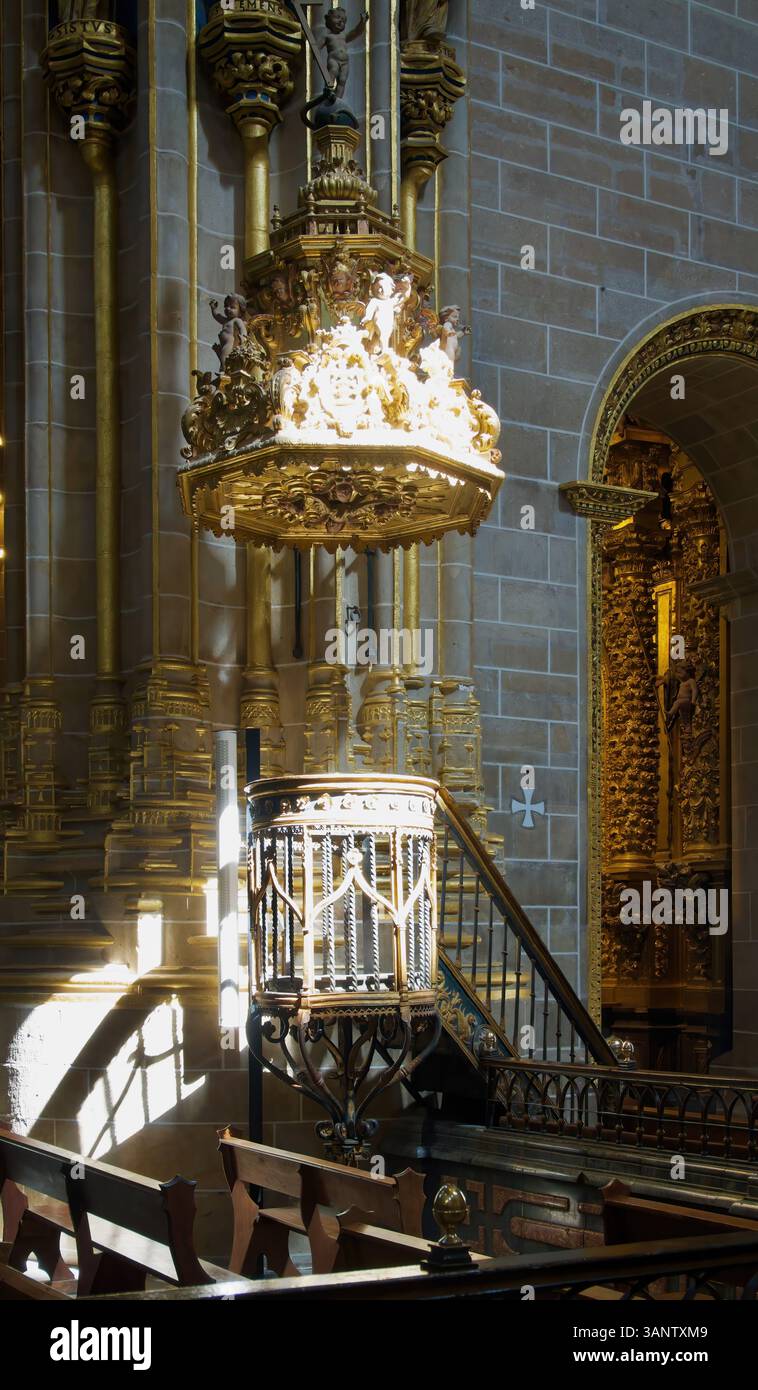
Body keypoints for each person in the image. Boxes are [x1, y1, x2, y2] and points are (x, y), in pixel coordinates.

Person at [321, 6, 369, 99]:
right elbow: (316, 46)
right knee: (333, 71)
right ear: (329, 19)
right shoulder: (328, 36)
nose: (340, 21)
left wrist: (362, 22)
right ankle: (328, 91)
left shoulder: (343, 36)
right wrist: (315, 53)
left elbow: (356, 32)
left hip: (345, 62)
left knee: (342, 80)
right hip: (333, 59)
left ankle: (338, 99)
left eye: (343, 20)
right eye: (337, 18)